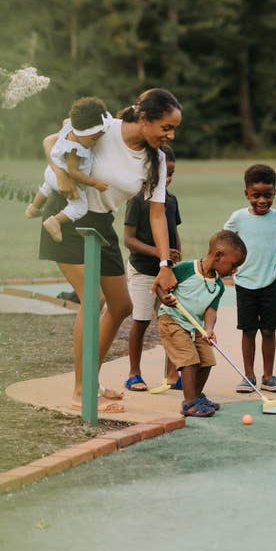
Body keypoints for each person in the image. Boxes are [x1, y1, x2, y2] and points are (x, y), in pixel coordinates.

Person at [39, 88, 182, 413]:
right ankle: (81, 392)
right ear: (144, 119)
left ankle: (93, 379)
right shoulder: (105, 127)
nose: (171, 135)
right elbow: (51, 141)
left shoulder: (156, 160)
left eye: (174, 129)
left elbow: (157, 213)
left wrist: (164, 263)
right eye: (166, 127)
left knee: (120, 305)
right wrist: (61, 173)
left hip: (101, 223)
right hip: (66, 216)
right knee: (93, 298)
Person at [158, 230, 247, 417]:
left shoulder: (218, 285)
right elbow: (160, 284)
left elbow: (211, 310)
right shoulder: (186, 269)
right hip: (172, 320)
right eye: (234, 265)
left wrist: (209, 329)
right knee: (189, 360)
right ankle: (189, 403)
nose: (234, 270)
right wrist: (164, 298)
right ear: (218, 256)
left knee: (207, 360)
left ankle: (196, 396)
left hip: (195, 325)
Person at [224, 164, 276, 394]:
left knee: (268, 330)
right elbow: (226, 239)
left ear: (275, 193)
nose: (262, 200)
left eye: (268, 195)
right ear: (247, 194)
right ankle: (248, 376)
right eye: (256, 196)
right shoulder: (238, 218)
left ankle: (268, 376)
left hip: (271, 281)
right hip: (245, 282)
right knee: (248, 330)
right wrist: (231, 263)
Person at [124, 144, 182, 392]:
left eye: (171, 173)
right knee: (141, 320)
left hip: (166, 270)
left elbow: (173, 232)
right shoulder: (137, 199)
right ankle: (134, 373)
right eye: (163, 174)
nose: (167, 179)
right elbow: (128, 240)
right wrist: (159, 253)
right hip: (142, 270)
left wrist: (174, 257)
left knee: (170, 320)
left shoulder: (172, 200)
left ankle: (171, 374)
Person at [26, 96, 112, 242]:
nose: (95, 143)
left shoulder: (70, 126)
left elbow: (66, 121)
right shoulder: (75, 150)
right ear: (82, 133)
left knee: (47, 186)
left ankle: (33, 208)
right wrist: (94, 183)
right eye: (93, 139)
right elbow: (74, 172)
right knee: (80, 207)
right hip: (64, 177)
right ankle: (55, 221)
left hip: (51, 171)